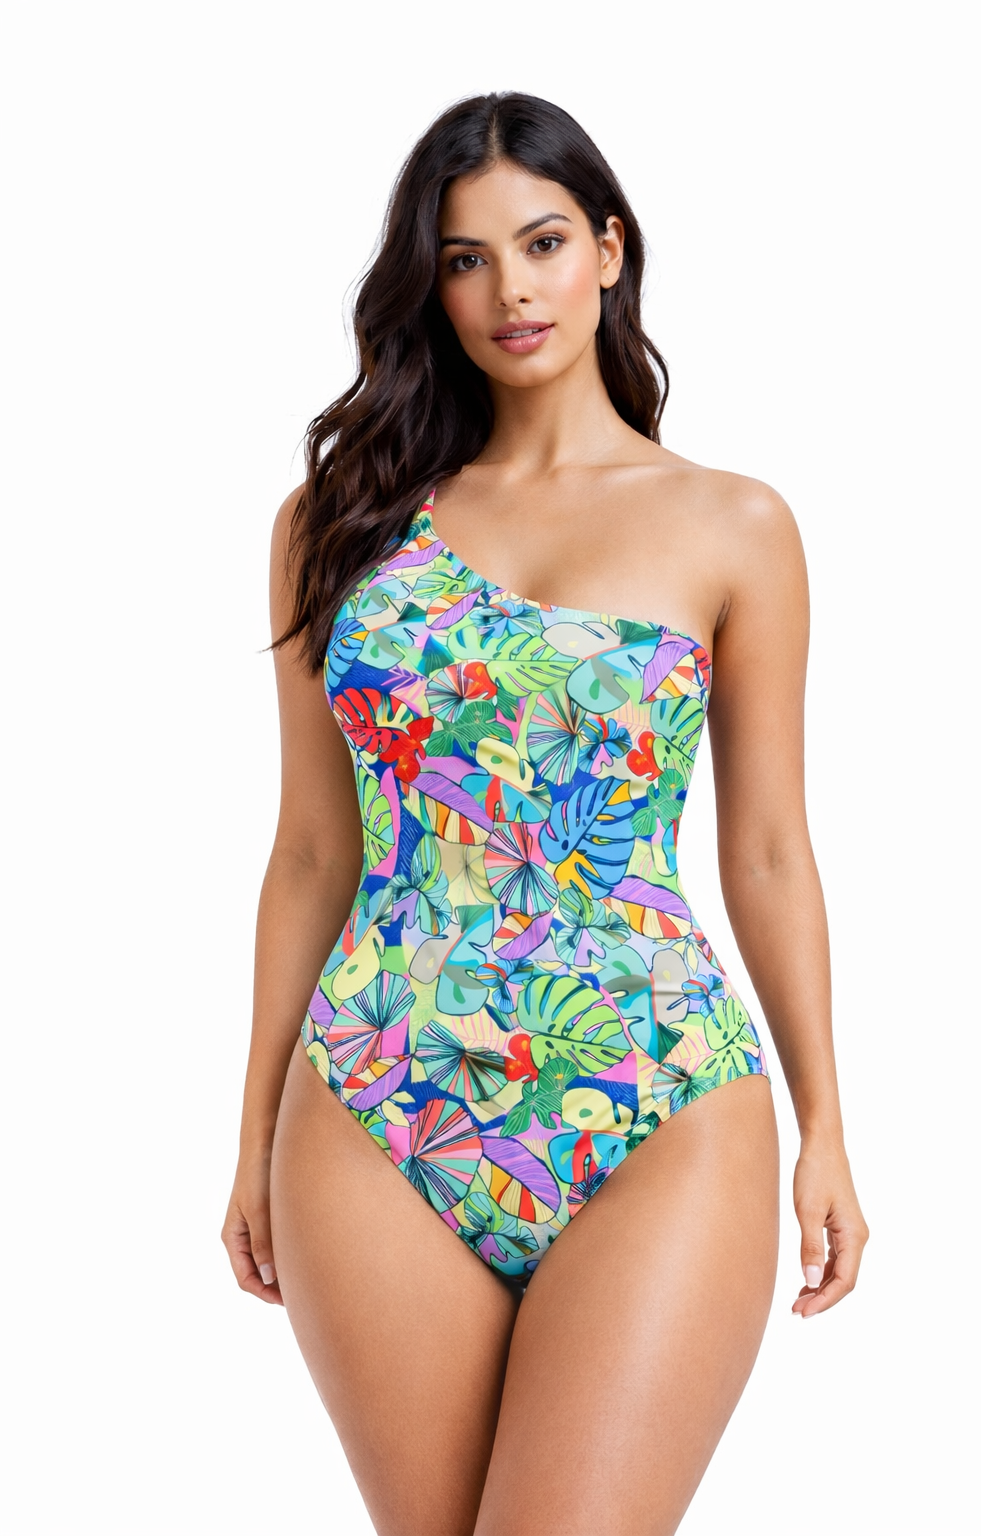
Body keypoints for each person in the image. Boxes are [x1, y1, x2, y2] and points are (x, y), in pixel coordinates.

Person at [222, 92, 868, 1536]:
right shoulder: (336, 524)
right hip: (375, 1099)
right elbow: (313, 847)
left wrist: (827, 1122)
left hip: (659, 1095)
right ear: (429, 284)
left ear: (610, 251)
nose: (511, 291)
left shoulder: (735, 524)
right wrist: (253, 1127)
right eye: (465, 259)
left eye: (544, 242)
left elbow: (769, 848)